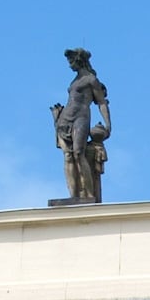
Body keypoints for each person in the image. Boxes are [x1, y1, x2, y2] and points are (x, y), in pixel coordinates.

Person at [51, 48, 111, 202]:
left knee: (79, 153)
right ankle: (73, 196)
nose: (70, 65)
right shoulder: (75, 81)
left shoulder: (91, 80)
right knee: (68, 156)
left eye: (71, 61)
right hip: (65, 119)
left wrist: (108, 124)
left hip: (81, 117)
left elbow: (102, 103)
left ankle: (89, 195)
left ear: (79, 60)